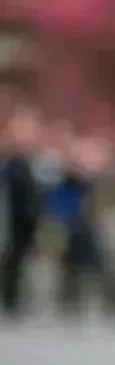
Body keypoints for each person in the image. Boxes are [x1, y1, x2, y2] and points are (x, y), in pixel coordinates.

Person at [52, 136, 115, 320]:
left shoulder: (83, 185)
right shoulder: (70, 186)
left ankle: (109, 304)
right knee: (80, 271)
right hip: (77, 234)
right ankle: (73, 304)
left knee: (84, 271)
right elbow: (63, 211)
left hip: (82, 233)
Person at [1, 105, 44, 320]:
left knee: (14, 265)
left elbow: (31, 198)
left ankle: (12, 303)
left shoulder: (22, 166)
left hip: (18, 225)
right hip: (9, 222)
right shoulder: (12, 167)